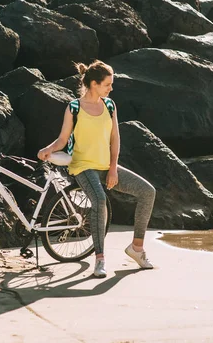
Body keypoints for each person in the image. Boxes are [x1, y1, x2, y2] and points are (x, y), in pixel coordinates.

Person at [37, 60, 157, 278]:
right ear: (93, 84)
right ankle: (100, 259)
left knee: (148, 192)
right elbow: (63, 139)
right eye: (107, 84)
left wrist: (113, 169)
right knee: (100, 201)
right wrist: (47, 149)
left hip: (105, 166)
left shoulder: (110, 106)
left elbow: (115, 139)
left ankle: (137, 249)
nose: (111, 89)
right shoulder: (74, 107)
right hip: (82, 166)